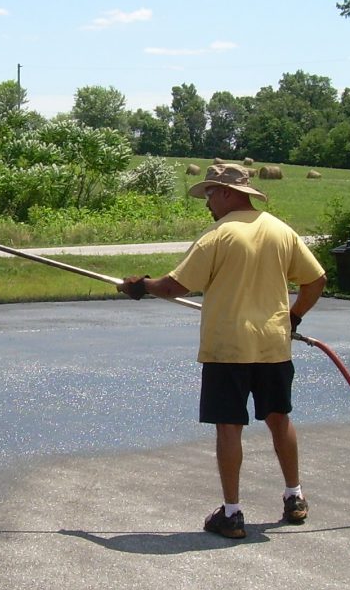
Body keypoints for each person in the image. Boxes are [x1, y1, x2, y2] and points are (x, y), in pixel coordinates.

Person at [117, 163, 327, 539]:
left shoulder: (218, 235)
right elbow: (317, 279)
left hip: (228, 348)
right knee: (279, 418)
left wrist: (140, 285)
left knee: (229, 427)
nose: (208, 202)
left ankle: (231, 514)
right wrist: (293, 317)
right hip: (273, 347)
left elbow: (174, 286)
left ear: (228, 194)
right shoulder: (281, 231)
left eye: (211, 194)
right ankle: (294, 497)